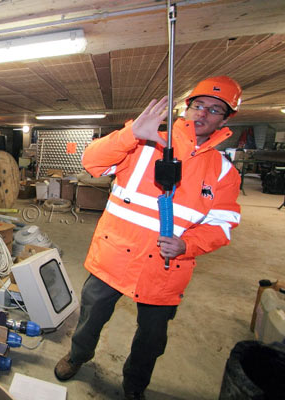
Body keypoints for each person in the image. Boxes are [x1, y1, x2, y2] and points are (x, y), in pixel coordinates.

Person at [54, 76, 243, 400]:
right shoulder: (144, 143)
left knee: (152, 339)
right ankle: (78, 356)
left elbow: (223, 225)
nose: (203, 113)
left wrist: (187, 245)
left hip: (165, 269)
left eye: (214, 110)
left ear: (225, 120)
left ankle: (134, 385)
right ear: (186, 108)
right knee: (91, 316)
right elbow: (91, 162)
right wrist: (130, 134)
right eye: (198, 105)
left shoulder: (224, 172)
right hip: (115, 256)